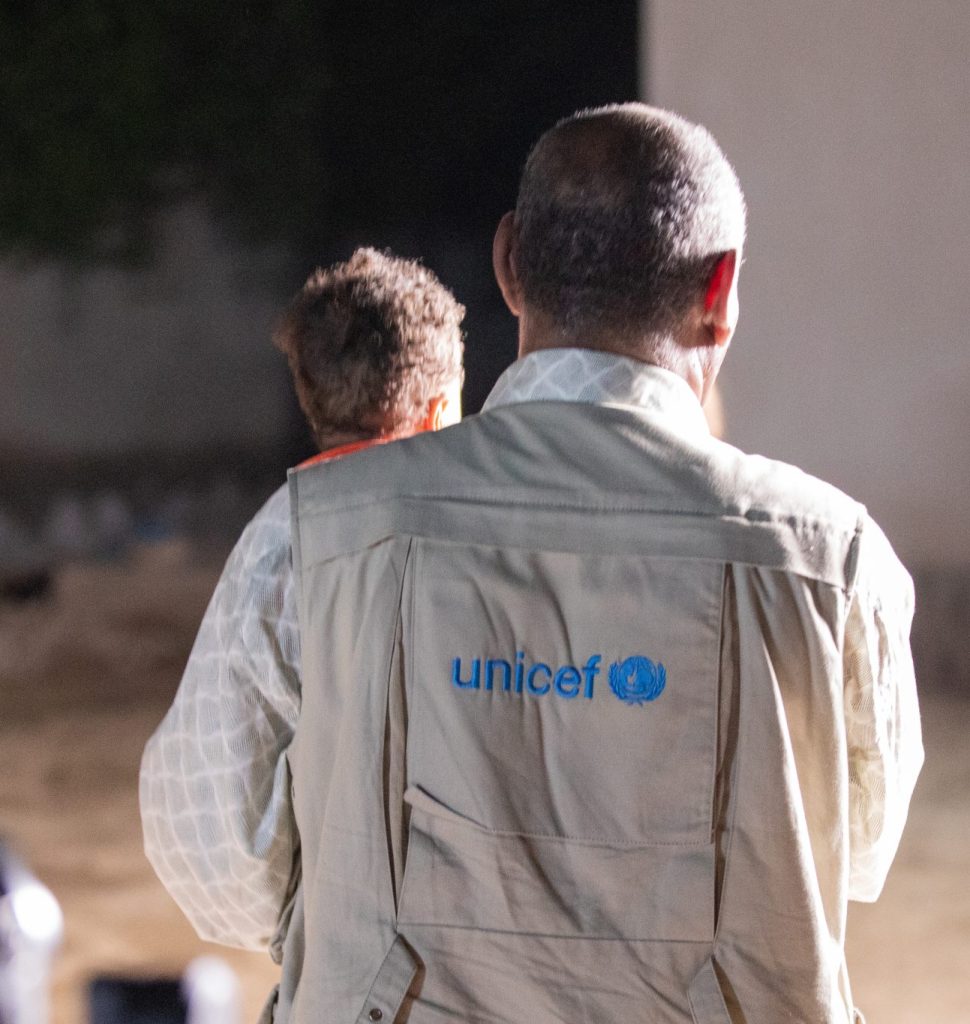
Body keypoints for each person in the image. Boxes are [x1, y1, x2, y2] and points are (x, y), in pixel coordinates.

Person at [277, 105, 922, 1024]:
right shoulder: (832, 562)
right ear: (723, 289)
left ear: (507, 263)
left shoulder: (324, 531)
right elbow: (855, 855)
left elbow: (224, 842)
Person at [139, 247, 464, 957]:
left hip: (301, 940)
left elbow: (201, 796)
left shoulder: (270, 534)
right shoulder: (417, 545)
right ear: (441, 409)